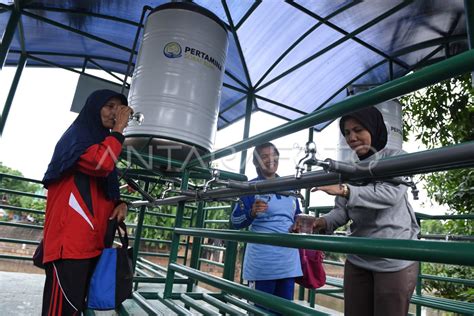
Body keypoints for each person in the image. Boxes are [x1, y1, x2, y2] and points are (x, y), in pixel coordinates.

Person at [312, 107, 420, 316]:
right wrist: (321, 222)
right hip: (358, 256)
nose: (352, 137)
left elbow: (389, 195)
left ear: (374, 128)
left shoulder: (396, 157)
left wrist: (346, 189)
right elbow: (341, 213)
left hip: (393, 258)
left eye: (358, 130)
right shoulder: (350, 168)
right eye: (347, 133)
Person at [41, 89, 133, 315]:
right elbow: (100, 164)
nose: (115, 113)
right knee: (61, 311)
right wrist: (119, 130)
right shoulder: (77, 137)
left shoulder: (100, 142)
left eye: (119, 108)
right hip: (69, 247)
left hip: (90, 245)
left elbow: (100, 186)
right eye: (109, 106)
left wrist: (120, 204)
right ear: (94, 107)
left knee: (77, 308)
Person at [231, 142, 302, 310]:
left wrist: (298, 224)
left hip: (288, 264)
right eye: (264, 156)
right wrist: (251, 212)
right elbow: (234, 222)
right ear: (256, 163)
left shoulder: (290, 186)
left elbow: (297, 215)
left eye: (273, 155)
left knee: (285, 311)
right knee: (260, 311)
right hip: (263, 265)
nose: (270, 159)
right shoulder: (250, 187)